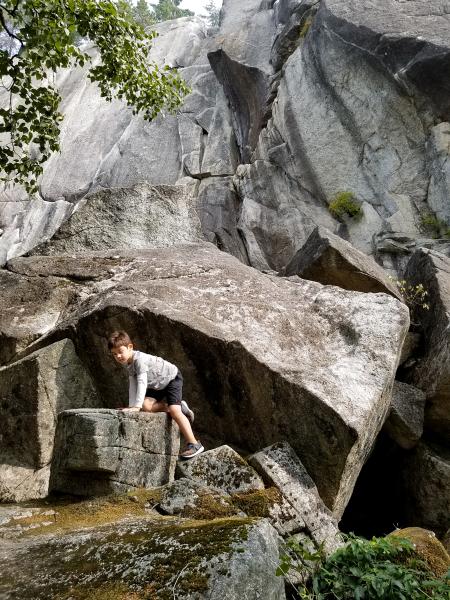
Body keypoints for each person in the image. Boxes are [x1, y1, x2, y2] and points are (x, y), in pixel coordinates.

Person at [107, 330, 204, 459]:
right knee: (145, 406)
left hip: (171, 378)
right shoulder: (128, 364)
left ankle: (194, 444)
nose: (118, 356)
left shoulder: (139, 360)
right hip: (156, 383)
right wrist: (132, 407)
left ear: (130, 347)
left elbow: (141, 382)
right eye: (114, 354)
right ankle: (180, 406)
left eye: (120, 352)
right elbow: (133, 383)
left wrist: (136, 407)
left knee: (175, 412)